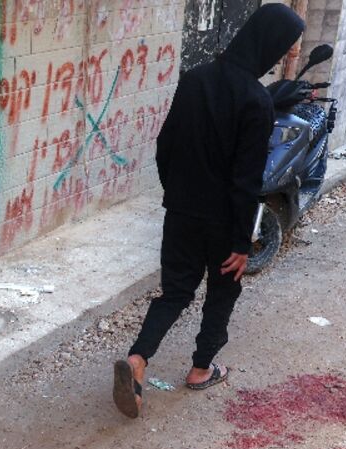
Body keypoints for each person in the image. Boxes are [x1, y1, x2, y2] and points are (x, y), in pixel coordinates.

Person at [113, 4, 305, 418]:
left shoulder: (195, 78)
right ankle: (202, 369)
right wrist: (241, 242)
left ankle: (138, 360)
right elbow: (246, 179)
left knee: (176, 292)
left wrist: (177, 195)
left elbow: (165, 146)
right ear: (267, 46)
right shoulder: (256, 100)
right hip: (222, 222)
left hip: (181, 212)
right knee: (222, 291)